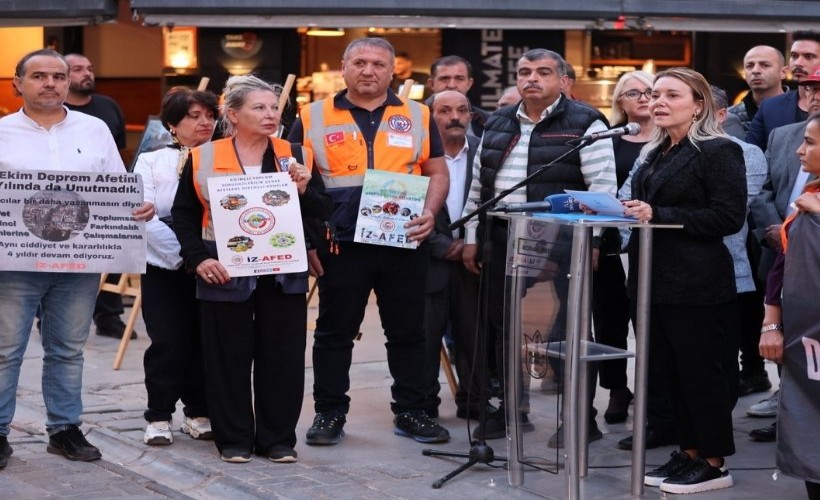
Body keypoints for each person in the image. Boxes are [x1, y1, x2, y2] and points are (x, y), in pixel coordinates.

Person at [288, 37, 450, 446]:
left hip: (402, 239)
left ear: (392, 71)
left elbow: (437, 170)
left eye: (378, 64)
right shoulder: (312, 115)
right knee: (334, 332)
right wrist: (306, 241)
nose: (368, 70)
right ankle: (329, 413)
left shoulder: (418, 113)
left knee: (408, 331)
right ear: (343, 67)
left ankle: (412, 410)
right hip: (339, 244)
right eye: (359, 62)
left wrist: (430, 212)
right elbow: (290, 183)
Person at [0, 49, 153, 469]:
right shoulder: (2, 132)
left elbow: (118, 187)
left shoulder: (95, 129)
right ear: (18, 84)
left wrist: (138, 208)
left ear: (68, 83)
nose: (50, 83)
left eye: (58, 76)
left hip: (77, 262)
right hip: (15, 264)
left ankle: (64, 429)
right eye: (39, 76)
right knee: (4, 350)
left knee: (68, 349)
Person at [172, 75, 332, 463]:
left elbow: (322, 210)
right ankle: (234, 439)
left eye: (274, 107)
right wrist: (199, 259)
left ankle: (277, 439)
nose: (270, 114)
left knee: (284, 356)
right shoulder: (203, 156)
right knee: (227, 356)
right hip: (224, 270)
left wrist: (306, 189)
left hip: (282, 271)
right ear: (233, 114)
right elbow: (184, 215)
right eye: (259, 107)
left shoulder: (296, 154)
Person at [461, 48, 616, 442]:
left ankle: (580, 418)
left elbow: (602, 190)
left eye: (544, 72)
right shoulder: (497, 122)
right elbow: (480, 186)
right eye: (525, 71)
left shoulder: (587, 122)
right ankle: (511, 409)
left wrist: (594, 242)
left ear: (564, 82)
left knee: (569, 329)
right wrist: (471, 238)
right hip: (502, 236)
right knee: (503, 328)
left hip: (565, 240)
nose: (532, 78)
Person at [623, 68, 746, 494]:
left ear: (698, 105)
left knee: (701, 374)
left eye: (671, 95)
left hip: (696, 284)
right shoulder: (658, 152)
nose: (657, 102)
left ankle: (714, 460)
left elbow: (728, 218)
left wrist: (660, 215)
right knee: (669, 375)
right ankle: (690, 451)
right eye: (654, 94)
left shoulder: (719, 151)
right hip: (652, 283)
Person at [134, 88, 218, 446]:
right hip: (166, 265)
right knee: (168, 341)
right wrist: (187, 257)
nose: (204, 123)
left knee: (205, 341)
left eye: (210, 116)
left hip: (216, 264)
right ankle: (158, 415)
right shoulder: (151, 161)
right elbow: (143, 214)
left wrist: (205, 258)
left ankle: (199, 411)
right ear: (172, 124)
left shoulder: (223, 157)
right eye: (194, 116)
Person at [747, 68, 820, 442]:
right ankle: (789, 411)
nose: (815, 95)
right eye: (810, 87)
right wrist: (779, 228)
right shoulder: (783, 137)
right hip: (778, 253)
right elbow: (763, 190)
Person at [759, 111, 820, 500]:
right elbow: (781, 268)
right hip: (807, 346)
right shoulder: (809, 198)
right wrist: (771, 324)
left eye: (811, 142)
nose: (800, 150)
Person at [596, 71, 655, 429]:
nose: (644, 98)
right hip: (610, 242)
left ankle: (654, 386)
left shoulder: (669, 140)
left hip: (654, 241)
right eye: (634, 93)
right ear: (620, 101)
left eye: (650, 91)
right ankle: (617, 387)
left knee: (649, 318)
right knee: (608, 318)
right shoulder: (610, 141)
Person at [421, 90, 484, 420]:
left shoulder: (485, 154)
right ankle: (423, 407)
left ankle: (474, 403)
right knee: (425, 339)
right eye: (444, 111)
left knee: (473, 337)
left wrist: (477, 242)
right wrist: (443, 245)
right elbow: (402, 208)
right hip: (428, 260)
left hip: (474, 263)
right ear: (430, 119)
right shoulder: (415, 159)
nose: (454, 116)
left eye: (462, 110)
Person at [64, 53, 132, 340]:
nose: (86, 73)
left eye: (89, 68)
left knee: (108, 257)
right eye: (78, 69)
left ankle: (108, 316)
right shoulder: (55, 112)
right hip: (64, 200)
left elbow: (118, 151)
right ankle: (51, 318)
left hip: (104, 197)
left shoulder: (108, 106)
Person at [746, 31, 820, 151]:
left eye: (809, 56)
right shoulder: (770, 107)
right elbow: (750, 155)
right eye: (794, 56)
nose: (798, 63)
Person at [728, 45, 788, 133]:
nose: (755, 70)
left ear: (783, 72)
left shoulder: (801, 111)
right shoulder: (728, 116)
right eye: (749, 66)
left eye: (765, 65)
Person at [428, 55, 490, 137]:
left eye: (459, 79)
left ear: (469, 84)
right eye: (444, 79)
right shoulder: (413, 118)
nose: (451, 85)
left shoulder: (487, 120)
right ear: (431, 84)